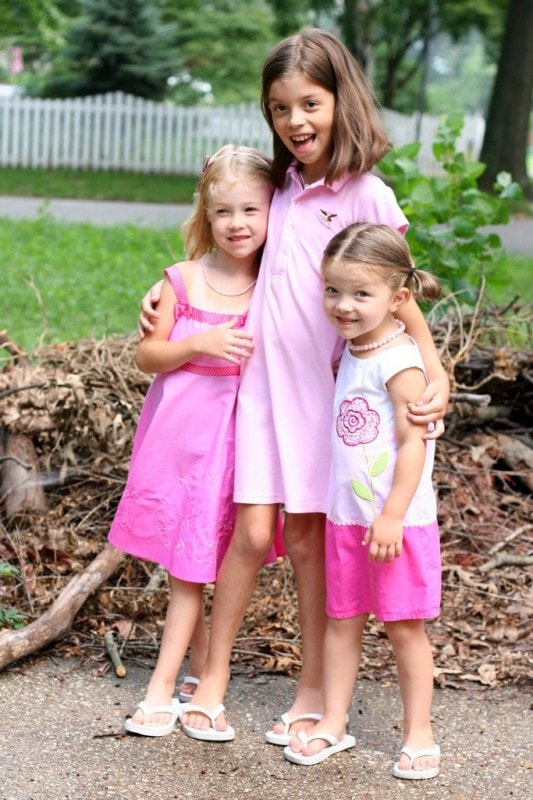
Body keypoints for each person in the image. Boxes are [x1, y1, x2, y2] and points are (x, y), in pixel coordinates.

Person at [139, 28, 449, 743]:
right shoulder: (278, 188)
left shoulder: (367, 192)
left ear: (342, 99)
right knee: (251, 533)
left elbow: (400, 295)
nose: (296, 121)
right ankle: (210, 676)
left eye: (310, 103)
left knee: (309, 540)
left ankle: (313, 687)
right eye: (279, 109)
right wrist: (164, 297)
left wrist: (434, 372)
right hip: (260, 391)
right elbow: (228, 255)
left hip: (330, 399)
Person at [108, 144, 275, 738]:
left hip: (239, 448)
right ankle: (163, 689)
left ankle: (198, 671)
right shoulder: (182, 280)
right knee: (186, 565)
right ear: (207, 212)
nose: (238, 224)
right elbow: (147, 355)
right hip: (181, 442)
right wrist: (196, 346)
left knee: (210, 556)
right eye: (224, 211)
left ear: (272, 209)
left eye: (251, 210)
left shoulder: (275, 287)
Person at [284, 223, 442, 780]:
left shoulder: (398, 361)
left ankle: (418, 733)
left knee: (403, 627)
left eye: (359, 294)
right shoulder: (355, 347)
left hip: (396, 522)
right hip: (347, 518)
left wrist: (393, 514)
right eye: (333, 290)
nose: (342, 305)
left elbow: (411, 443)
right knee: (342, 619)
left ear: (398, 299)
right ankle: (332, 721)